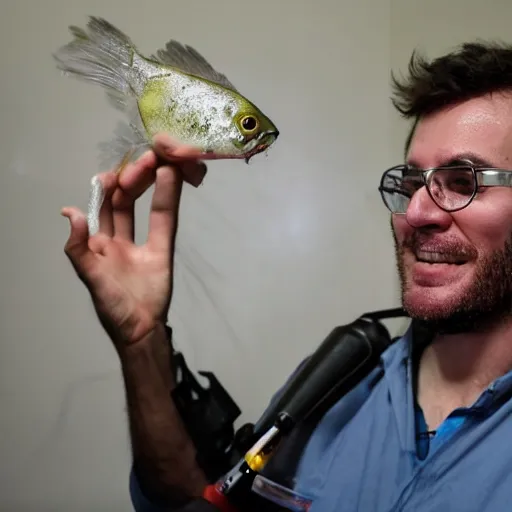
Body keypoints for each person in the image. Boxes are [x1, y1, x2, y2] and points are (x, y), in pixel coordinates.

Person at [62, 40, 512, 512]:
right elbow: (201, 500)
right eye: (412, 182)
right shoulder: (338, 383)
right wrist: (142, 344)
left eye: (465, 182)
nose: (416, 212)